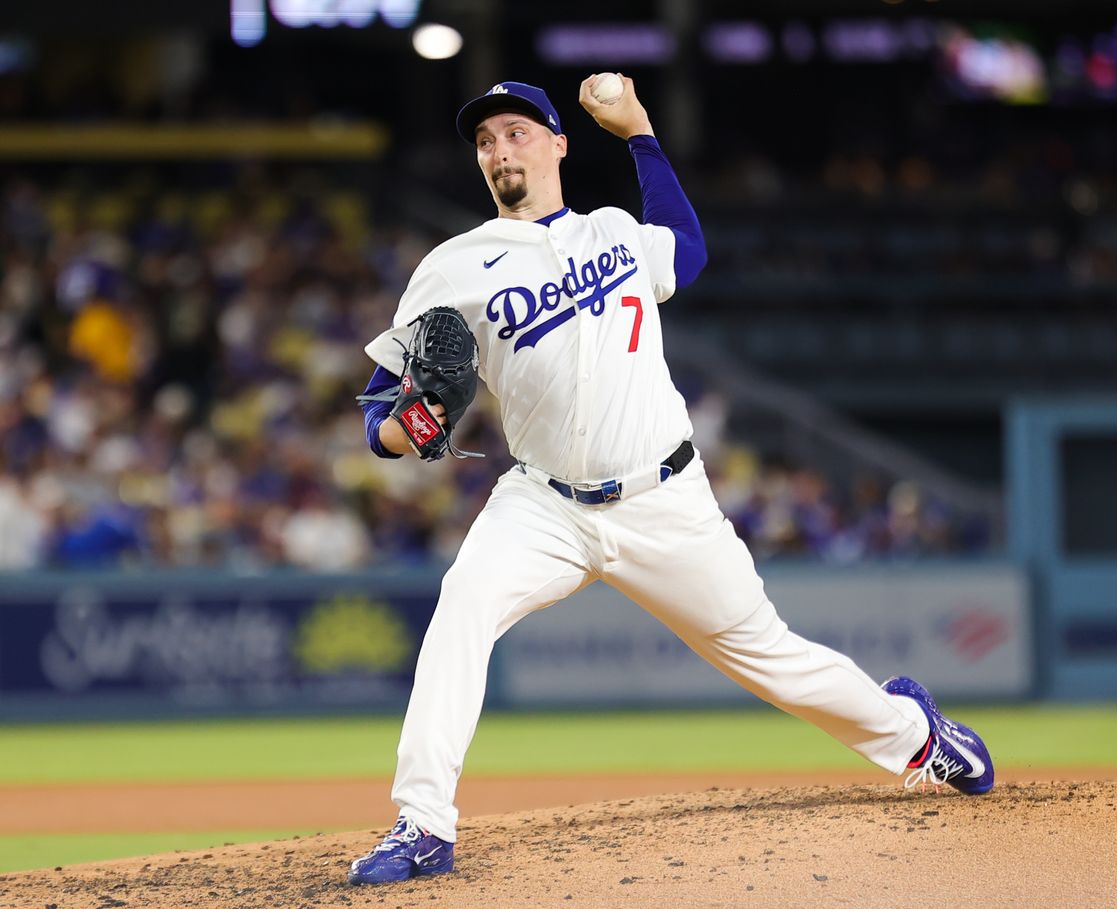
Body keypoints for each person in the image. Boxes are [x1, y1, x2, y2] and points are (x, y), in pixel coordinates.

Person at [347, 76, 994, 886]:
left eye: (516, 132)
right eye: (485, 141)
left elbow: (687, 249)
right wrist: (398, 432)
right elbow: (382, 410)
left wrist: (643, 132)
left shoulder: (615, 232)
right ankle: (424, 823)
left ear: (557, 144)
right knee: (461, 611)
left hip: (664, 497)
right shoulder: (452, 268)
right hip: (544, 503)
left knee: (769, 655)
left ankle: (916, 736)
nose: (499, 149)